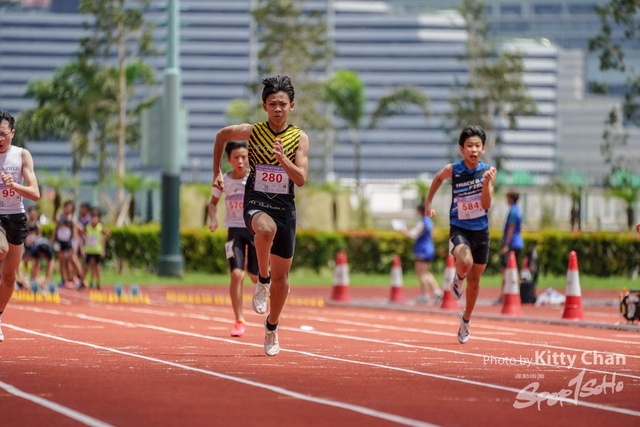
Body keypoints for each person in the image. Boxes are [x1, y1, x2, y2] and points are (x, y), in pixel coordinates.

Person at [212, 75, 309, 356]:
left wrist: (283, 160)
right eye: (272, 104)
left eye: (282, 104)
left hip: (285, 208)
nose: (277, 109)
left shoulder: (299, 138)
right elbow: (222, 135)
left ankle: (272, 325)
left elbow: (301, 179)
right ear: (264, 106)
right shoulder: (252, 132)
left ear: (291, 106)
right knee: (265, 230)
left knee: (283, 281)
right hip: (256, 201)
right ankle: (262, 280)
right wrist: (216, 171)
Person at [424, 125, 496, 344]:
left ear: (483, 149)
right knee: (465, 262)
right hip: (460, 228)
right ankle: (458, 277)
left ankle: (466, 319)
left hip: (481, 231)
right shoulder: (453, 170)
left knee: (475, 281)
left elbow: (486, 204)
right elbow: (438, 178)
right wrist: (428, 203)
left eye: (477, 146)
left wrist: (486, 183)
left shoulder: (489, 171)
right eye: (469, 146)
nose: (473, 150)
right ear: (461, 149)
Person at [208, 140, 258, 338]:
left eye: (244, 157)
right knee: (237, 274)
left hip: (254, 231)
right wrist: (213, 218)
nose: (240, 161)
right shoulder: (223, 181)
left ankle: (272, 290)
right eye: (236, 157)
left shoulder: (255, 179)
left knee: (255, 276)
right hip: (234, 231)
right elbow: (212, 203)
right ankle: (239, 320)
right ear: (228, 159)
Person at [0, 110, 41, 342]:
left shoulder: (22, 155)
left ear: (12, 133)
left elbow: (35, 193)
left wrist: (14, 185)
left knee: (9, 278)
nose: (0, 139)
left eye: (3, 134)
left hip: (16, 216)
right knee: (1, 249)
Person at [399, 203, 443, 304]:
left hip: (422, 249)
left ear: (419, 211)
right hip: (428, 248)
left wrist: (402, 230)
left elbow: (412, 235)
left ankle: (425, 295)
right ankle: (437, 292)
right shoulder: (429, 221)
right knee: (426, 273)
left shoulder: (423, 222)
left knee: (421, 273)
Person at [495, 189, 524, 305]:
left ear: (511, 199)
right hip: (518, 243)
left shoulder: (512, 211)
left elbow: (511, 228)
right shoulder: (518, 210)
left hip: (512, 244)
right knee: (514, 270)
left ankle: (504, 295)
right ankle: (517, 293)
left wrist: (506, 244)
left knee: (505, 270)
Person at [52, 200, 85, 288]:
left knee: (73, 260)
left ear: (72, 209)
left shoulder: (73, 219)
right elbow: (55, 230)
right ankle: (64, 280)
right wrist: (52, 241)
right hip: (60, 242)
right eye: (66, 207)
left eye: (70, 207)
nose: (67, 209)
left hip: (69, 242)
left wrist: (74, 244)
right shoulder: (60, 218)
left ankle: (82, 279)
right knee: (62, 262)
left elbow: (75, 232)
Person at [83, 208, 110, 290]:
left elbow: (108, 233)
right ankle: (83, 281)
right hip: (88, 250)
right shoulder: (88, 227)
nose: (94, 220)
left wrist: (103, 242)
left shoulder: (100, 227)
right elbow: (82, 233)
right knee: (85, 266)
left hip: (97, 250)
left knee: (96, 267)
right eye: (92, 218)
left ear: (99, 219)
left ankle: (97, 283)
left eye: (95, 218)